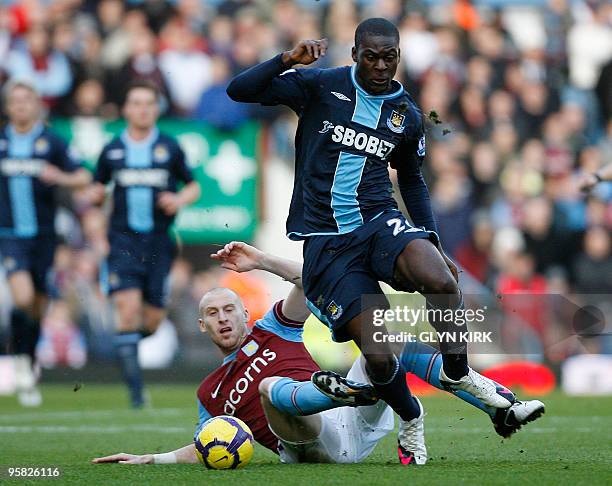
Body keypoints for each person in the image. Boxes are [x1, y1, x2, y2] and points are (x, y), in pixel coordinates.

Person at [226, 18, 512, 462]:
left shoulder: (406, 113)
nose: (381, 66)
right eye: (371, 56)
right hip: (326, 242)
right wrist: (286, 60)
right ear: (355, 52)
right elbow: (239, 91)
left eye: (389, 57)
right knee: (379, 358)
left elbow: (412, 180)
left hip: (379, 221)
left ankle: (458, 372)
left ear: (399, 55)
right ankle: (410, 414)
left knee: (440, 279)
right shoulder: (319, 86)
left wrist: (432, 238)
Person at [92, 242, 544, 466]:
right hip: (311, 443)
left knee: (383, 337)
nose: (224, 318)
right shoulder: (209, 392)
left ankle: (498, 405)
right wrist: (152, 459)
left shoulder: (271, 328)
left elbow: (313, 280)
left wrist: (263, 261)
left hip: (356, 416)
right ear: (202, 325)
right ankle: (333, 391)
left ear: (244, 314)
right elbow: (206, 442)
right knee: (271, 387)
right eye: (213, 313)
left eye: (230, 309)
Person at [88, 80, 200, 408]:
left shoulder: (169, 147)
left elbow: (193, 187)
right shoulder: (112, 150)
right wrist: (94, 197)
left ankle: (124, 348)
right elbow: (96, 188)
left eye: (148, 104)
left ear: (156, 109)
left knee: (150, 321)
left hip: (159, 243)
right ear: (126, 110)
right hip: (122, 242)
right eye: (136, 103)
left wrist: (178, 199)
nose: (142, 109)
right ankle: (136, 393)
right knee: (127, 309)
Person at [0, 79, 91, 407]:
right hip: (10, 234)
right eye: (16, 100)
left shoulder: (51, 141)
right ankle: (21, 360)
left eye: (27, 99)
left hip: (45, 237)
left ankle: (27, 360)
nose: (21, 105)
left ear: (36, 104)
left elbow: (83, 175)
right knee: (22, 296)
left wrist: (61, 176)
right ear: (8, 106)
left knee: (38, 305)